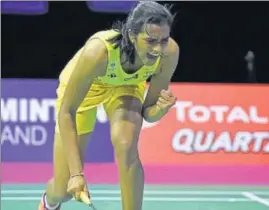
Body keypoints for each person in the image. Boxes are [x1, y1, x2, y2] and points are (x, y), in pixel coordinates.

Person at [38, 1, 179, 210]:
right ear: (132, 35)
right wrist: (77, 174)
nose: (158, 48)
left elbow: (148, 114)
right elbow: (67, 111)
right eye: (150, 41)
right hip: (86, 90)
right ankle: (49, 202)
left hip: (127, 86)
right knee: (63, 189)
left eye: (163, 40)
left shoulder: (169, 53)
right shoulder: (98, 53)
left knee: (126, 143)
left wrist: (160, 110)